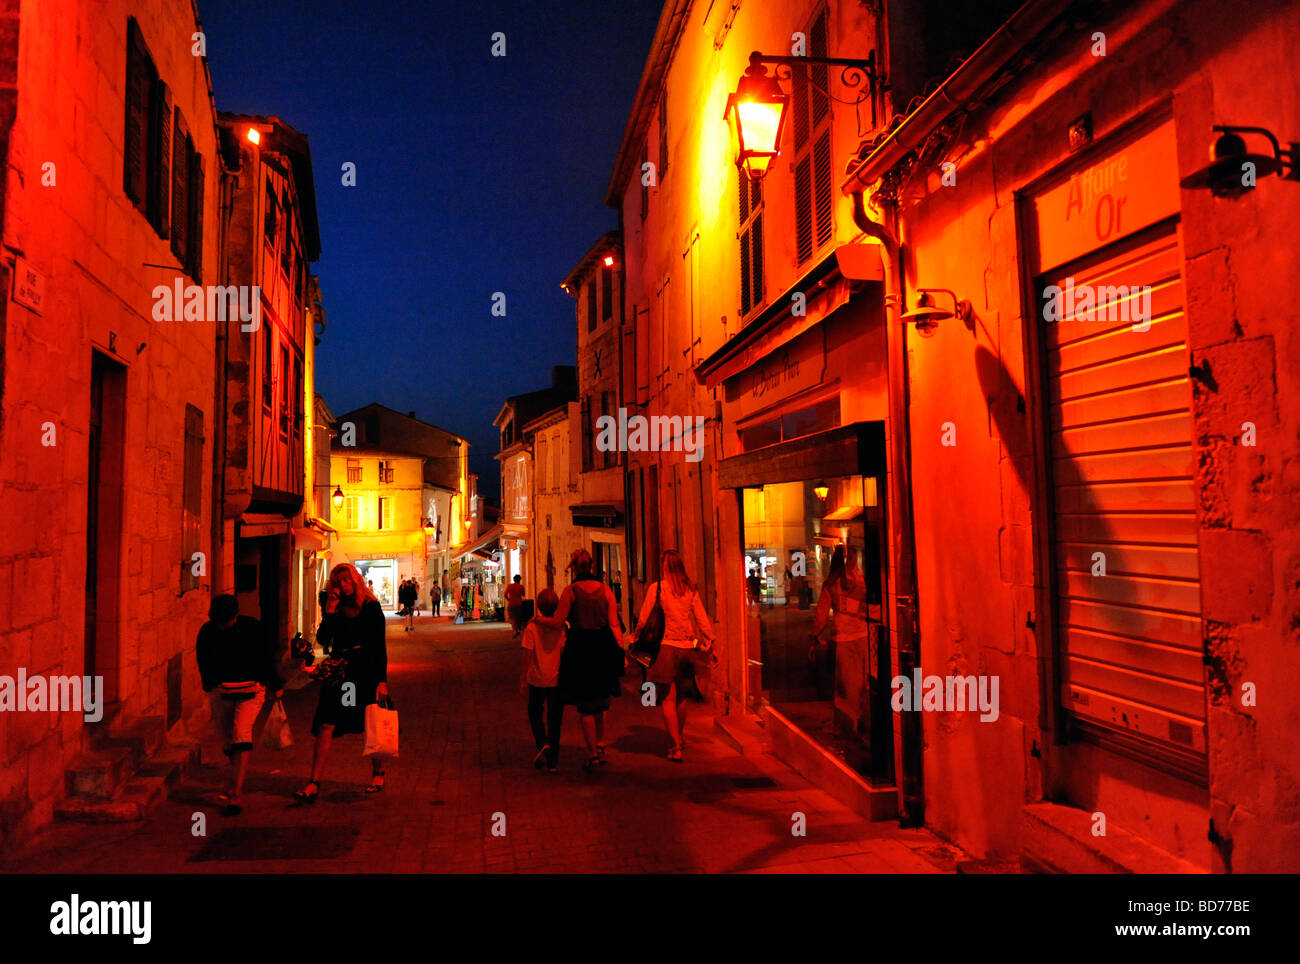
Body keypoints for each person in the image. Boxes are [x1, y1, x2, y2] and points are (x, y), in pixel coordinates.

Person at [296, 563, 390, 801]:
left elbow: (379, 646)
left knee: (371, 722)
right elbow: (322, 639)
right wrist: (329, 609)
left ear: (355, 581)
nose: (343, 586)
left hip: (364, 670)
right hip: (339, 671)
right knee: (326, 724)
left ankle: (378, 773)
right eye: (338, 582)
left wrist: (382, 680)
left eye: (346, 581)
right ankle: (314, 781)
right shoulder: (335, 610)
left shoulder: (371, 607)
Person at [533, 549, 623, 771]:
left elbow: (557, 621)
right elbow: (614, 624)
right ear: (591, 566)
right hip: (603, 646)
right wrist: (621, 651)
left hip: (581, 648)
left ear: (574, 568)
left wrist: (537, 619)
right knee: (602, 700)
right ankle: (600, 745)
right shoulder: (606, 591)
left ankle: (592, 753)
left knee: (586, 704)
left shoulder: (571, 591)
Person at [195, 594, 283, 816]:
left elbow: (265, 657)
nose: (225, 626)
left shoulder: (251, 628)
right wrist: (211, 685)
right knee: (228, 740)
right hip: (221, 691)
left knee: (241, 733)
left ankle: (236, 792)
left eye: (228, 621)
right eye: (221, 622)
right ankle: (233, 781)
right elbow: (203, 660)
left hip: (251, 690)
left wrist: (273, 683)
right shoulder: (207, 632)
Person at [628, 550, 716, 762]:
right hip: (687, 648)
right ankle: (681, 737)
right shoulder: (690, 590)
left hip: (666, 647)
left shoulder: (657, 588)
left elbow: (645, 617)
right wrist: (710, 640)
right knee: (682, 698)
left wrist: (635, 635)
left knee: (668, 698)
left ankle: (675, 745)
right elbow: (702, 619)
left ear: (665, 567)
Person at [810, 545, 869, 700]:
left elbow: (822, 614)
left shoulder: (831, 583)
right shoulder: (862, 580)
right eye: (850, 559)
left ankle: (852, 714)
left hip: (844, 637)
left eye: (854, 558)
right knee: (859, 681)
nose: (853, 562)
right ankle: (855, 714)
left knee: (849, 682)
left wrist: (815, 635)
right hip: (861, 635)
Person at [520, 587, 565, 773]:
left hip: (537, 679)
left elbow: (527, 655)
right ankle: (553, 760)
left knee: (534, 713)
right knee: (555, 719)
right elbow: (562, 652)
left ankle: (542, 743)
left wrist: (522, 678)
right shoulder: (560, 628)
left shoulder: (532, 627)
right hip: (555, 678)